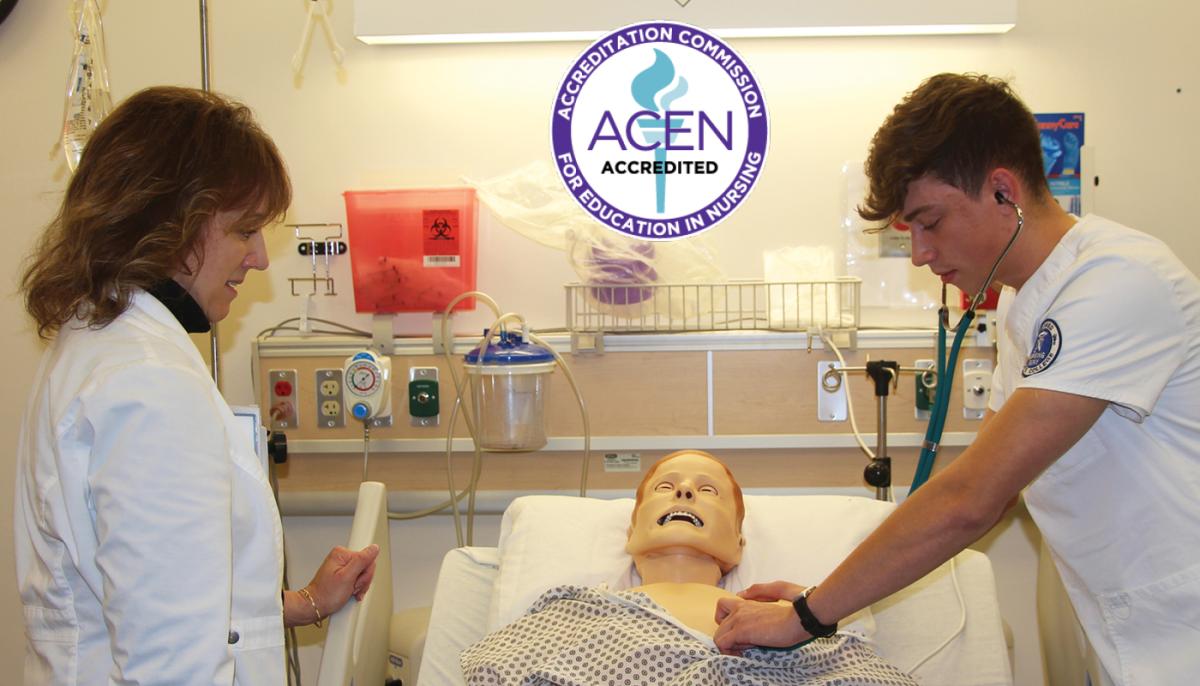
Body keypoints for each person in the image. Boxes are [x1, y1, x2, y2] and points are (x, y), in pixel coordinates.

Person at [713, 73, 1200, 685]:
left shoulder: (1117, 281)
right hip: (1136, 632)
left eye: (930, 221)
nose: (919, 253)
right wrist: (825, 597)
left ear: (1002, 190)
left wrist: (807, 616)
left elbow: (973, 499)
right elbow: (980, 488)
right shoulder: (1026, 308)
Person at [14, 86, 379, 685]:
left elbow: (143, 593)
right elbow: (172, 666)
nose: (259, 258)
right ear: (168, 224)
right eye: (244, 230)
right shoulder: (147, 383)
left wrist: (304, 602)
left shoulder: (97, 345)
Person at [461, 450, 916, 685]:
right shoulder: (570, 615)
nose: (683, 494)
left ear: (739, 544)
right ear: (630, 534)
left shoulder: (793, 619)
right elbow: (495, 669)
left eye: (708, 491)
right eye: (665, 487)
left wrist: (816, 622)